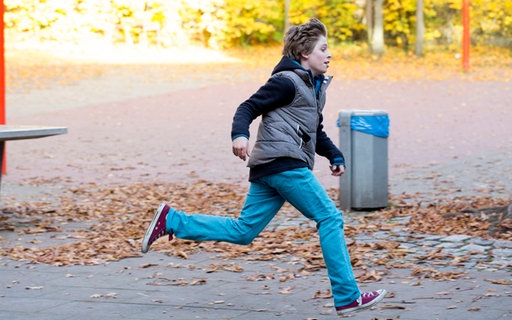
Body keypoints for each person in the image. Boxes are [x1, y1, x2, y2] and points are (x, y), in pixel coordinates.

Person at [141, 18, 386, 316]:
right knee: (330, 218)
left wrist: (334, 155)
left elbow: (315, 130)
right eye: (323, 48)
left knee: (244, 231)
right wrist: (240, 135)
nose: (329, 54)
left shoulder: (313, 88)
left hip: (271, 168)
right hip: (284, 164)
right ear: (305, 53)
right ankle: (348, 296)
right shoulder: (286, 82)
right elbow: (247, 107)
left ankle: (173, 221)